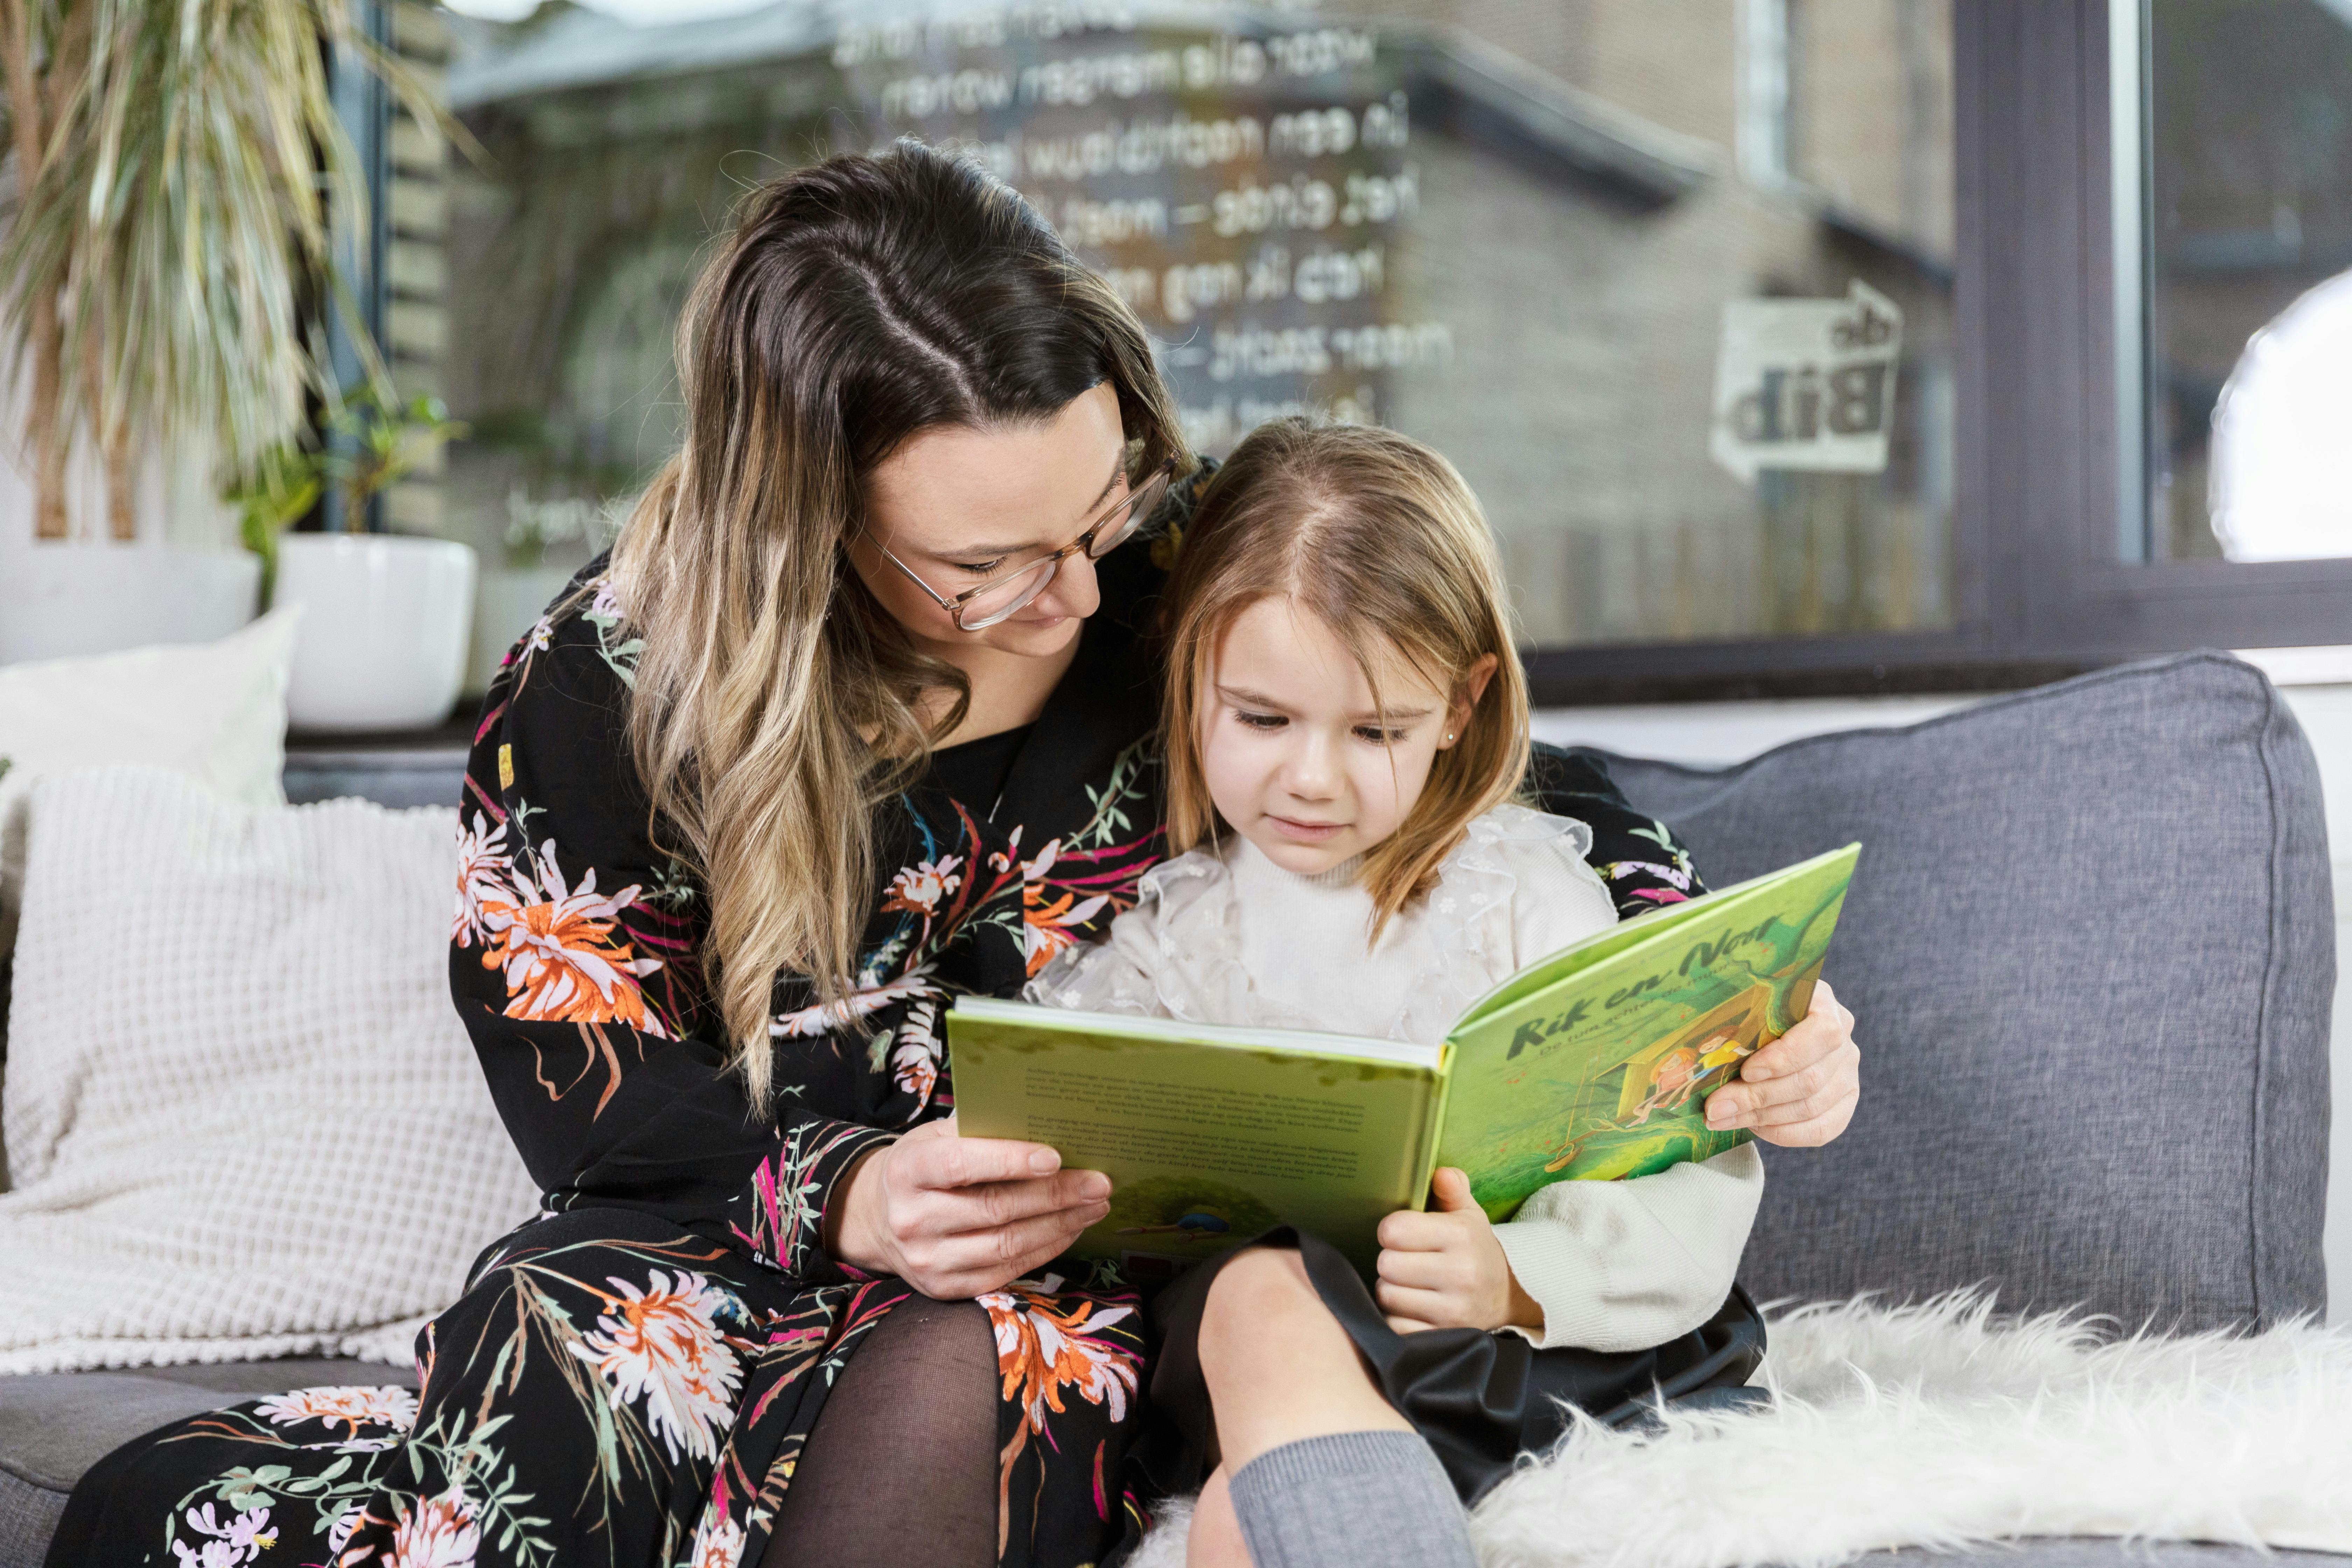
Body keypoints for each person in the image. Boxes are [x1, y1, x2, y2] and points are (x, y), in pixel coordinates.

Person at [45, 142, 1860, 1568]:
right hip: (716, 1238)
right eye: (984, 568)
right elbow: (600, 1109)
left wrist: (1719, 988)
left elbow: (1492, 762)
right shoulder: (604, 690)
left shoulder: (1170, 589)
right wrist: (846, 1194)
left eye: (1098, 513)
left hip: (1059, 1263)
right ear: (810, 529)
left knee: (982, 1388)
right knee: (533, 1435)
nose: (1074, 598)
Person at [1028, 419, 1769, 1568]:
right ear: (1189, 676)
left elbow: (1689, 1178)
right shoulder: (1170, 926)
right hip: (1268, 1357)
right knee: (1257, 1318)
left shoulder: (1526, 892)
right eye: (1261, 719)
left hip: (1515, 1350)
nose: (1310, 779)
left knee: (1246, 1484)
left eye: (1378, 731)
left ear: (1464, 707)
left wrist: (1519, 1277)